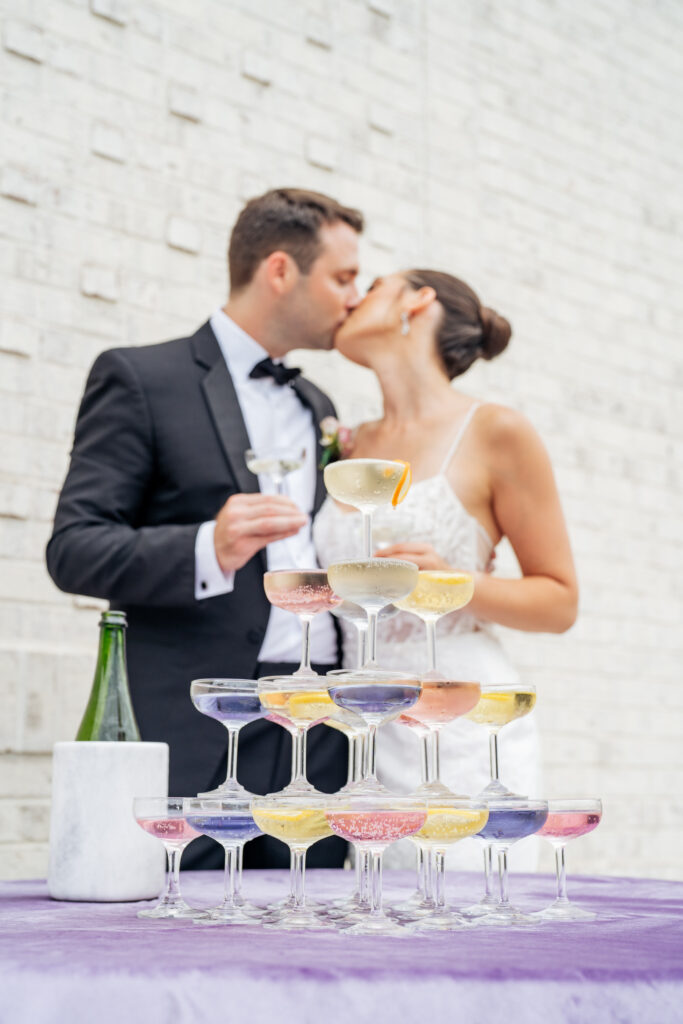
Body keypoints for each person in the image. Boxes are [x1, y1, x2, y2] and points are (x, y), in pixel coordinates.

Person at [46, 188, 364, 869]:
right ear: (280, 271)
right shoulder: (141, 378)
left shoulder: (318, 405)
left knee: (317, 941)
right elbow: (74, 548)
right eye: (342, 277)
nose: (354, 298)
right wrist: (206, 548)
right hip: (200, 726)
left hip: (319, 724)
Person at [314, 269, 579, 870]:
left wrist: (452, 587)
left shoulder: (496, 431)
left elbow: (560, 600)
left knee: (464, 918)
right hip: (364, 734)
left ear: (418, 301)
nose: (352, 297)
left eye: (373, 283)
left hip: (460, 726)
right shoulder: (347, 444)